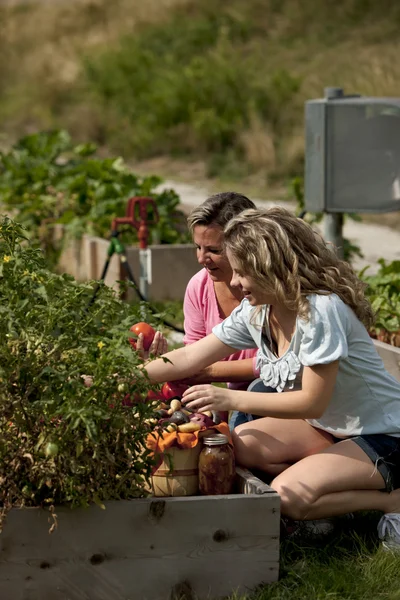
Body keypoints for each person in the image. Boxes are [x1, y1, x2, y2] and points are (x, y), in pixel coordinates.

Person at [142, 206, 400, 550]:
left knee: (287, 495)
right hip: (331, 427)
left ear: (269, 267)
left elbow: (312, 401)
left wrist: (229, 398)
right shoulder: (259, 311)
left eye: (242, 272)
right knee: (242, 443)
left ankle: (391, 501)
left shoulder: (319, 311)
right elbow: (190, 356)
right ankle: (337, 486)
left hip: (384, 435)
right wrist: (120, 377)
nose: (234, 282)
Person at [181, 192, 261, 426]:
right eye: (198, 247)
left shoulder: (267, 288)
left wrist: (208, 371)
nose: (201, 258)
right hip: (232, 400)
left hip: (275, 395)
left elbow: (271, 365)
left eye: (214, 251)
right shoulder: (199, 286)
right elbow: (192, 354)